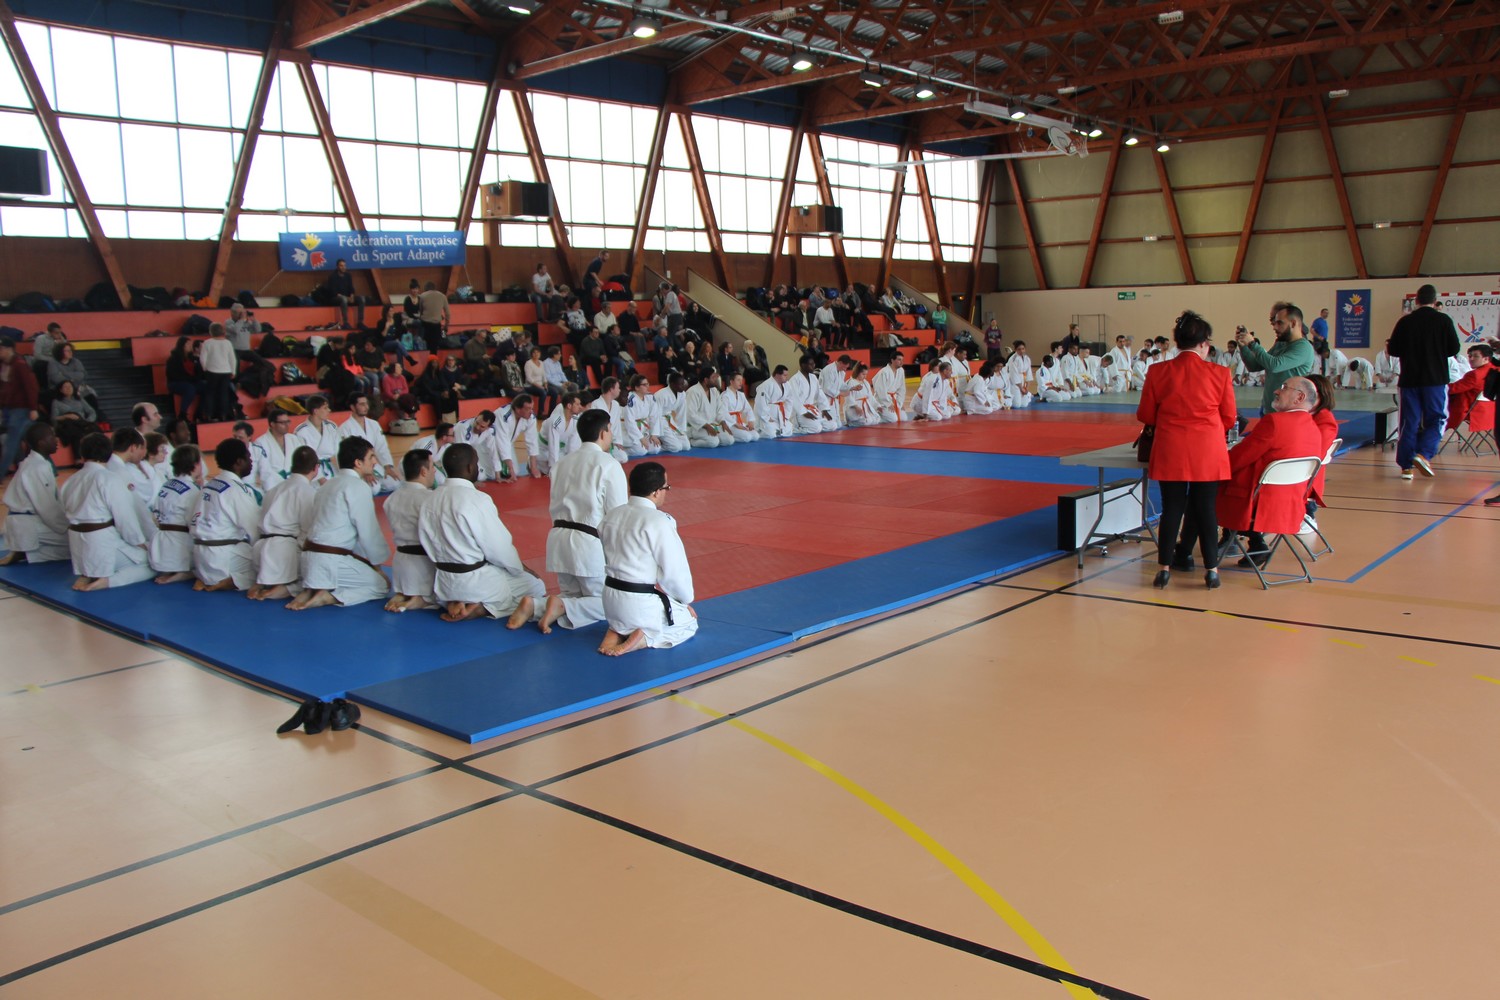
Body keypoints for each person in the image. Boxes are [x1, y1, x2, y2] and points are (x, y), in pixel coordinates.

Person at [1136, 310, 1237, 590]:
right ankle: (1212, 570)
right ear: (1204, 344)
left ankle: (1164, 569)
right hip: (1208, 450)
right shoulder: (1220, 373)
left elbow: (1145, 414)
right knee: (1207, 510)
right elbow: (1229, 418)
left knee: (1171, 509)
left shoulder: (1157, 371)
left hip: (1171, 448)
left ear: (1177, 341)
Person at [417, 443, 545, 626]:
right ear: (470, 467)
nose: (478, 467)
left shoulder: (429, 499)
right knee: (535, 585)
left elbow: (426, 541)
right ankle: (483, 608)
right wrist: (521, 568)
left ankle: (456, 602)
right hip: (477, 583)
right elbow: (499, 549)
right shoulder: (477, 499)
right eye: (477, 463)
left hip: (443, 584)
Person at [1217, 376, 1325, 568]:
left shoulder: (1275, 422)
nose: (1277, 391)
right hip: (1290, 501)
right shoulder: (1313, 427)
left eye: (1284, 387)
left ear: (1299, 397)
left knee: (1203, 492)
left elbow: (1241, 456)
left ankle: (1192, 552)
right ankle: (1254, 543)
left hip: (1259, 500)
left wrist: (1216, 463)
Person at [538, 409, 629, 634]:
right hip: (587, 546)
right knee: (613, 605)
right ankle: (558, 605)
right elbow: (616, 516)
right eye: (610, 430)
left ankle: (536, 606)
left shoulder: (561, 463)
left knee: (572, 594)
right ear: (603, 432)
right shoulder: (608, 464)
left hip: (558, 541)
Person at [598, 461, 697, 655]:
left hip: (610, 601)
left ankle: (617, 630)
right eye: (666, 488)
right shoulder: (659, 521)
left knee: (632, 616)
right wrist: (684, 602)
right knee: (688, 622)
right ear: (656, 492)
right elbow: (674, 572)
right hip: (639, 604)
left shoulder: (611, 516)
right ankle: (644, 637)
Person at [288, 436, 391, 610]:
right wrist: (378, 567)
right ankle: (328, 597)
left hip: (308, 559)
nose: (375, 461)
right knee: (381, 586)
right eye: (371, 457)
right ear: (358, 463)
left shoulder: (326, 486)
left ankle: (313, 589)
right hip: (330, 561)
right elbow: (368, 532)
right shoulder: (358, 487)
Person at [59, 432, 158, 591]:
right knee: (154, 562)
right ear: (108, 453)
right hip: (102, 543)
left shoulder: (70, 480)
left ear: (82, 454)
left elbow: (64, 511)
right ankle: (107, 581)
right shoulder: (109, 478)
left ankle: (89, 574)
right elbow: (124, 518)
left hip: (77, 545)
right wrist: (138, 542)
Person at [1388, 283, 1462, 480]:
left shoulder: (1405, 322)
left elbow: (1393, 350)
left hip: (1409, 380)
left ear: (1417, 300)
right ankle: (1424, 454)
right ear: (1435, 301)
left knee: (1409, 421)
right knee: (1437, 418)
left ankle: (1406, 467)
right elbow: (1454, 349)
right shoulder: (1443, 320)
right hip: (1435, 380)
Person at [249, 444, 319, 602]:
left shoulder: (274, 489)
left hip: (260, 551)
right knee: (315, 576)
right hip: (283, 552)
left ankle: (262, 584)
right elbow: (308, 532)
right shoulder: (307, 492)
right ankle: (280, 589)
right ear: (316, 468)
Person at [191, 437, 262, 592]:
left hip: (200, 557)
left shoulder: (209, 485)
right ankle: (229, 581)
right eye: (248, 457)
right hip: (223, 557)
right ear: (239, 462)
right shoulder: (235, 490)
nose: (251, 462)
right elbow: (255, 529)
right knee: (271, 568)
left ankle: (204, 579)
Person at [0, 423, 68, 565]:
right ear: (41, 443)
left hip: (25, 523)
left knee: (77, 543)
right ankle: (26, 550)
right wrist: (67, 525)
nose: (56, 440)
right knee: (79, 543)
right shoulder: (37, 467)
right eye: (52, 437)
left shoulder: (35, 463)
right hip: (28, 525)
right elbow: (46, 508)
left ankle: (28, 552)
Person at [383, 448, 439, 613]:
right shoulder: (430, 499)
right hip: (423, 565)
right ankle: (421, 599)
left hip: (400, 564)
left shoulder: (391, 498)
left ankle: (403, 594)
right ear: (423, 471)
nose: (435, 471)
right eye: (432, 466)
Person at [1236, 303, 1316, 414]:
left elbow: (1275, 365)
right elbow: (1254, 366)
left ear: (1293, 323)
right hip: (1269, 407)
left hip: (1287, 412)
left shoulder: (1303, 347)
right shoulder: (1280, 344)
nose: (1274, 327)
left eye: (1279, 323)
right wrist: (1243, 346)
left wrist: (1252, 344)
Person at [147, 443, 202, 585]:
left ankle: (174, 570)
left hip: (159, 548)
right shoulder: (193, 490)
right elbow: (195, 524)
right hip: (179, 549)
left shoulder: (167, 484)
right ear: (195, 465)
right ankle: (185, 572)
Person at [340, 393, 401, 493]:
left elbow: (382, 447)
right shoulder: (345, 428)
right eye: (362, 404)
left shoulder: (374, 424)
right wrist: (365, 472)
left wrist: (387, 466)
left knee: (395, 483)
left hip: (373, 465)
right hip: (358, 468)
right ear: (352, 407)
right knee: (374, 488)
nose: (366, 407)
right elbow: (348, 455)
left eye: (366, 403)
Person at [1446, 344, 1495, 435]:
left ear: (1486, 358)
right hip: (1491, 411)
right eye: (1470, 356)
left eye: (1476, 356)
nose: (1471, 359)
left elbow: (1453, 389)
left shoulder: (1475, 374)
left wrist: (1437, 387)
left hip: (1471, 411)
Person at [294, 394, 341, 480]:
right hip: (312, 474)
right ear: (315, 411)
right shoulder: (301, 431)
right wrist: (320, 479)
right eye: (325, 408)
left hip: (334, 469)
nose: (329, 410)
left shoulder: (331, 426)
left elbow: (338, 451)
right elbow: (304, 459)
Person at [685, 367, 732, 448]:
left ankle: (711, 438)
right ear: (706, 380)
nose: (716, 379)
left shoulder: (714, 391)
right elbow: (690, 414)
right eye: (713, 377)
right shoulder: (693, 392)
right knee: (713, 442)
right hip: (697, 427)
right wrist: (706, 426)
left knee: (729, 440)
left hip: (712, 425)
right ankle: (691, 441)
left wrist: (722, 422)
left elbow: (720, 409)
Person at [199, 323, 237, 422]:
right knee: (223, 393)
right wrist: (233, 371)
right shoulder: (228, 343)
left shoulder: (207, 343)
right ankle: (223, 415)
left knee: (210, 393)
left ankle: (209, 415)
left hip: (212, 371)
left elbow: (202, 358)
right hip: (226, 371)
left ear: (211, 332)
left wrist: (205, 368)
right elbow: (232, 359)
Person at [539, 392, 585, 474]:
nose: (580, 407)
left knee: (569, 466)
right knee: (552, 470)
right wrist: (554, 469)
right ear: (569, 406)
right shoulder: (556, 421)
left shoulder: (575, 420)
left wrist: (572, 464)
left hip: (559, 450)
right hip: (543, 449)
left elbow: (573, 445)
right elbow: (553, 445)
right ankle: (533, 463)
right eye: (577, 404)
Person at [620, 376, 662, 457]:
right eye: (644, 384)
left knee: (655, 448)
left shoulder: (650, 397)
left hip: (644, 429)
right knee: (641, 451)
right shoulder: (630, 398)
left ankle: (639, 444)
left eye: (648, 384)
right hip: (629, 431)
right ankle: (623, 450)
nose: (647, 386)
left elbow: (654, 416)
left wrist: (653, 434)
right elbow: (630, 421)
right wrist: (640, 438)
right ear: (636, 387)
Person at [322, 259, 367, 330]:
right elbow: (334, 292)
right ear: (337, 267)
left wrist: (352, 295)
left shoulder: (348, 275)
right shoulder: (332, 276)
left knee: (361, 298)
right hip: (336, 298)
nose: (343, 267)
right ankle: (345, 323)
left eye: (344, 266)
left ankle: (360, 322)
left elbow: (351, 288)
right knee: (344, 299)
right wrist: (347, 298)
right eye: (341, 266)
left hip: (348, 297)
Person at [754, 364, 797, 438]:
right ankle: (760, 430)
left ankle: (778, 430)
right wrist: (767, 417)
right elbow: (760, 403)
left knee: (789, 429)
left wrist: (786, 415)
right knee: (771, 433)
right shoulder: (766, 385)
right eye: (785, 375)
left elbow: (790, 400)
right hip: (767, 416)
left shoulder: (787, 385)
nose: (787, 377)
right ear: (777, 375)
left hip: (780, 415)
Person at [654, 373, 693, 452]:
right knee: (676, 447)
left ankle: (668, 441)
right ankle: (659, 446)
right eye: (680, 384)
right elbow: (655, 415)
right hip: (660, 421)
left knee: (686, 446)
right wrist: (656, 434)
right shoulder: (660, 395)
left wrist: (682, 430)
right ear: (672, 384)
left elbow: (681, 413)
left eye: (683, 383)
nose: (683, 386)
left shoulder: (682, 394)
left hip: (670, 420)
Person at [719, 371, 760, 441]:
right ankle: (729, 436)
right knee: (747, 437)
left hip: (739, 422)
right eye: (738, 380)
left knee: (756, 436)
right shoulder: (725, 396)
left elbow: (748, 409)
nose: (741, 382)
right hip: (729, 424)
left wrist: (750, 421)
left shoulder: (741, 395)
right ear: (731, 382)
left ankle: (736, 434)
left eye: (742, 380)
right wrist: (736, 425)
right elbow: (724, 413)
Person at [872, 351, 907, 423]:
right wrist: (888, 404)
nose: (901, 362)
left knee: (903, 418)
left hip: (894, 399)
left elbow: (902, 388)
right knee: (893, 419)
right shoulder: (884, 372)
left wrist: (900, 403)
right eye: (899, 359)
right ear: (892, 360)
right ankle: (875, 416)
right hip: (882, 400)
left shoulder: (901, 370)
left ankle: (882, 414)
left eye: (902, 360)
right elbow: (880, 390)